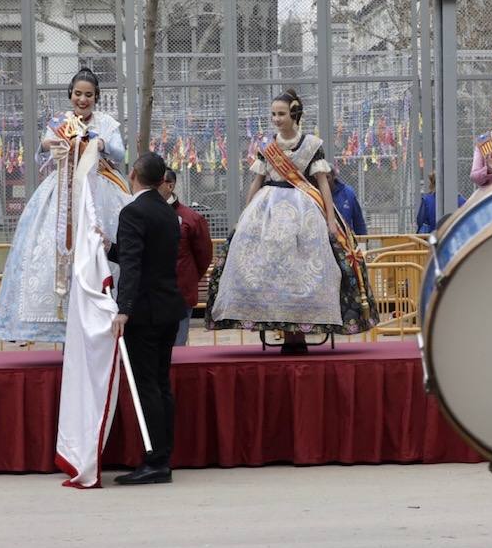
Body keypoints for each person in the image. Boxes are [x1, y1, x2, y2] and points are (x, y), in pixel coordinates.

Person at [206, 89, 377, 353]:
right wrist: (244, 216)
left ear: (294, 113)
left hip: (305, 210)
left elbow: (322, 185)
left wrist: (331, 221)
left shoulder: (312, 145)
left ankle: (303, 327)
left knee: (310, 268)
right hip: (266, 212)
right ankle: (277, 324)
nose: (276, 119)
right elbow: (256, 182)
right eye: (273, 114)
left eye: (281, 114)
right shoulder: (267, 147)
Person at [0, 68, 130, 344]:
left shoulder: (106, 122)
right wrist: (49, 144)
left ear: (96, 97)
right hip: (62, 190)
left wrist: (99, 143)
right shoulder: (61, 122)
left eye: (88, 95)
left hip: (98, 189)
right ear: (70, 95)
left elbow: (120, 152)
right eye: (78, 94)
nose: (82, 99)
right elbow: (41, 153)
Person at [111, 153, 189, 485]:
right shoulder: (168, 214)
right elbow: (146, 255)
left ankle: (154, 461)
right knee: (160, 383)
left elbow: (132, 266)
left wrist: (123, 309)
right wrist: (109, 247)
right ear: (161, 180)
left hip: (142, 312)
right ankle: (163, 455)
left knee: (147, 387)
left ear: (133, 175)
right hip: (169, 308)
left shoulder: (131, 212)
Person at [159, 167, 213, 347]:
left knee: (178, 344)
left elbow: (204, 256)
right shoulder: (142, 213)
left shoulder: (191, 218)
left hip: (180, 291)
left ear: (170, 186)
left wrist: (189, 277)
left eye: (158, 183)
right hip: (151, 294)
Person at [327, 170, 368, 236]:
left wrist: (363, 241)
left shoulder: (348, 193)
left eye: (327, 177)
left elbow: (358, 220)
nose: (324, 182)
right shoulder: (316, 194)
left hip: (346, 240)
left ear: (333, 176)